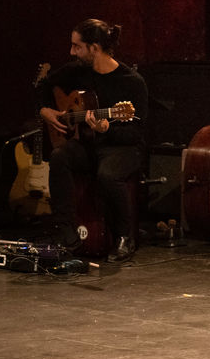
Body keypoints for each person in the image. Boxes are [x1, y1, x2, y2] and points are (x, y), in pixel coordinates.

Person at [39, 19, 148, 264]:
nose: (71, 52)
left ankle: (124, 237)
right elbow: (44, 86)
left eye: (77, 46)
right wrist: (45, 110)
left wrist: (106, 129)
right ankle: (66, 231)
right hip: (90, 144)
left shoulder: (132, 81)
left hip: (123, 148)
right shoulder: (78, 71)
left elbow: (136, 134)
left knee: (107, 174)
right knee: (59, 157)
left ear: (94, 48)